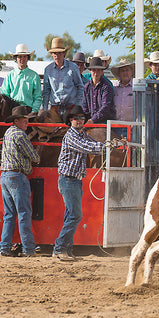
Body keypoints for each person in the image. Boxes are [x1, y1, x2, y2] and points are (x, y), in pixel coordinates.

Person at [53, 106, 123, 261]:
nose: (79, 121)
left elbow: (94, 145)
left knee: (70, 215)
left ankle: (66, 249)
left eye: (81, 118)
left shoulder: (81, 134)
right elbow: (89, 147)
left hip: (74, 179)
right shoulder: (71, 136)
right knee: (75, 215)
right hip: (68, 179)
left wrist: (111, 143)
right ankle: (59, 248)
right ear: (70, 120)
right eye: (76, 118)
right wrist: (110, 145)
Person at [0, 106, 41, 257]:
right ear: (16, 121)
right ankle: (28, 249)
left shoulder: (8, 132)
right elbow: (34, 156)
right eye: (24, 120)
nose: (26, 123)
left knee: (9, 215)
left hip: (5, 175)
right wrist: (36, 157)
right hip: (17, 176)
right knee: (23, 213)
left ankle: (4, 248)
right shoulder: (20, 135)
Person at [42, 37, 83, 116]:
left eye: (59, 53)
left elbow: (80, 86)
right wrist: (44, 109)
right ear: (51, 54)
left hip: (70, 107)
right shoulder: (48, 69)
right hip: (54, 108)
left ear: (64, 53)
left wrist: (78, 106)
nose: (57, 55)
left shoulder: (73, 67)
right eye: (54, 53)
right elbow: (46, 91)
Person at [0, 44, 42, 113]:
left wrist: (34, 111)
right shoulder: (10, 76)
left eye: (25, 56)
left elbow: (37, 97)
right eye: (20, 57)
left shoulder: (34, 76)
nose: (22, 59)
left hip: (28, 110)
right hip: (13, 110)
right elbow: (5, 95)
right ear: (16, 58)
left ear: (28, 58)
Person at [83, 57, 116, 124]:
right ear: (90, 71)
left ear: (102, 71)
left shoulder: (106, 86)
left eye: (98, 70)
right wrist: (87, 119)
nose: (96, 73)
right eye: (94, 70)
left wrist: (92, 120)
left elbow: (105, 107)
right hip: (90, 122)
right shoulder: (86, 87)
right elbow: (85, 107)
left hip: (105, 123)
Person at [111, 58, 135, 123]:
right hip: (115, 125)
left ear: (131, 72)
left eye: (127, 70)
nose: (125, 73)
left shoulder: (136, 88)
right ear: (119, 73)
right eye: (122, 71)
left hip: (132, 126)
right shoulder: (114, 87)